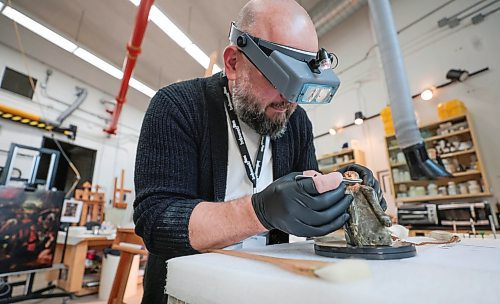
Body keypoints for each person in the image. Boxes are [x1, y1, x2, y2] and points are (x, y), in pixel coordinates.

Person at [133, 0, 386, 302]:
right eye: (279, 79)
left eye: (300, 84)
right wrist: (259, 211)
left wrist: (343, 193)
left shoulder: (296, 122)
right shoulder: (177, 106)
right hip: (186, 292)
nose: (289, 100)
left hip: (267, 288)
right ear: (233, 63)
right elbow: (157, 221)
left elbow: (311, 207)